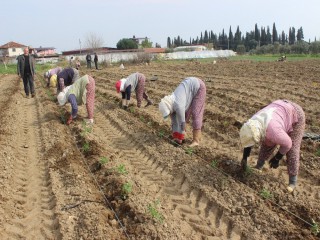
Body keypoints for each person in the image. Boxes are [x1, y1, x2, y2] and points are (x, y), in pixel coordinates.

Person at [239, 99, 305, 193]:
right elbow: (249, 140)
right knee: (267, 142)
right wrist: (244, 158)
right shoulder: (251, 123)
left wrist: (277, 158)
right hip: (279, 108)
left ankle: (292, 182)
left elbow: (288, 144)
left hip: (296, 114)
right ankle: (259, 166)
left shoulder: (273, 131)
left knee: (293, 149)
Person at [158, 77, 206, 147]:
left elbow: (182, 123)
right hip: (188, 89)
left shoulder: (178, 105)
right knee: (184, 115)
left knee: (196, 113)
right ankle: (182, 135)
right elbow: (174, 122)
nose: (169, 114)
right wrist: (175, 136)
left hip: (198, 87)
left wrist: (179, 139)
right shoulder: (171, 105)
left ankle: (196, 140)